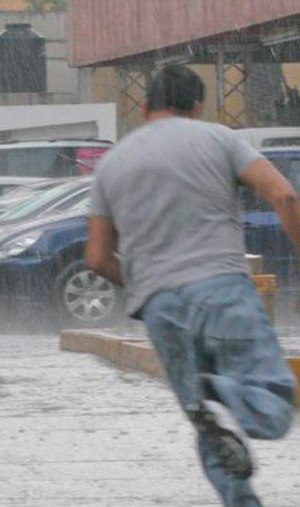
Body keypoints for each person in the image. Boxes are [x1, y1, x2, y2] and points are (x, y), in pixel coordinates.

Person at [86, 65, 296, 506]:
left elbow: (97, 258)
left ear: (144, 108)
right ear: (197, 105)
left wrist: (146, 286)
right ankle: (222, 392)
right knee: (272, 403)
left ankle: (216, 418)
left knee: (211, 430)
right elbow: (284, 195)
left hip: (160, 308)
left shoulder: (112, 164)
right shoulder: (218, 138)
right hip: (221, 289)